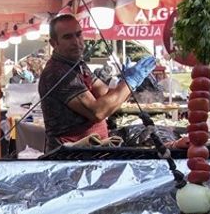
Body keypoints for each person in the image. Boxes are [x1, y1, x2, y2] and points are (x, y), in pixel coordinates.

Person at [37, 13, 154, 149]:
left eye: (78, 34)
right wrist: (130, 82)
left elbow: (107, 96)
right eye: (68, 37)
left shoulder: (78, 65)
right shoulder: (57, 72)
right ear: (54, 43)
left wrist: (125, 83)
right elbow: (98, 112)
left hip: (92, 150)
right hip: (70, 157)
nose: (76, 41)